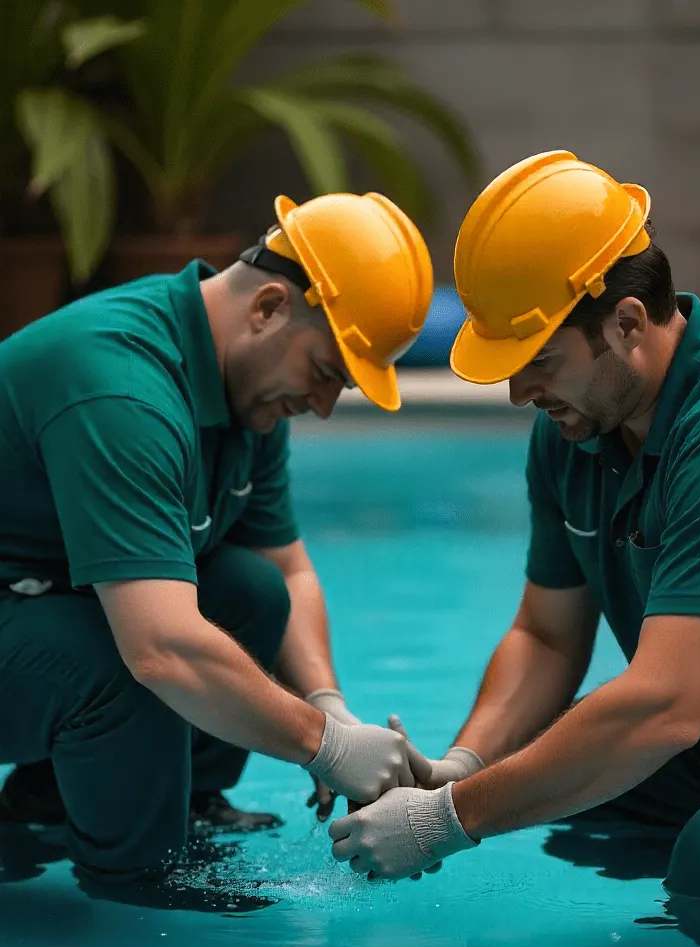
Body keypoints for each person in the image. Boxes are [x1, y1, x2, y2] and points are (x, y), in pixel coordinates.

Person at [330, 151, 700, 937]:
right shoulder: (577, 429)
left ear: (627, 323)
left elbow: (666, 705)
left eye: (537, 361)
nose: (519, 392)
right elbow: (545, 635)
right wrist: (464, 768)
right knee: (576, 806)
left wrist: (449, 821)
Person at [0, 189, 433, 887]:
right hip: (28, 620)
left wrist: (329, 706)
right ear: (267, 308)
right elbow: (161, 649)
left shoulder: (245, 391)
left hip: (30, 602)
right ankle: (139, 874)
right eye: (327, 373)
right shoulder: (123, 389)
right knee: (129, 657)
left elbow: (286, 571)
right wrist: (323, 749)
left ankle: (112, 798)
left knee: (247, 590)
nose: (323, 407)